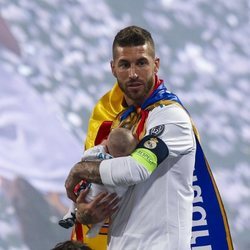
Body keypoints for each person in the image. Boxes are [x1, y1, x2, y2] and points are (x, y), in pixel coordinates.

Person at [65, 26, 233, 250]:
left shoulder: (171, 116)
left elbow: (136, 169)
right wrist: (84, 213)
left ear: (156, 65)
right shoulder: (121, 122)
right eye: (125, 64)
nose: (133, 73)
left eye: (141, 63)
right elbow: (114, 191)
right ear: (113, 68)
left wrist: (79, 169)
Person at [59, 127, 138, 237]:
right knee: (105, 206)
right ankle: (92, 227)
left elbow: (85, 158)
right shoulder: (126, 163)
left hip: (92, 192)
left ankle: (69, 215)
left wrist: (78, 171)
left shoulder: (99, 153)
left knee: (78, 197)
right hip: (113, 200)